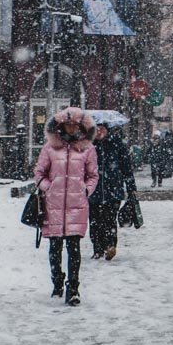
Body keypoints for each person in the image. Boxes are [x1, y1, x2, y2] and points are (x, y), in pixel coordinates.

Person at [33, 107, 98, 306]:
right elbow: (39, 173)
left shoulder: (88, 149)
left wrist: (85, 190)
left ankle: (73, 288)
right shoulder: (50, 148)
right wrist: (49, 187)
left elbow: (93, 175)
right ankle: (57, 281)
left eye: (75, 125)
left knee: (74, 249)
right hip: (53, 206)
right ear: (61, 126)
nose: (71, 128)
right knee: (55, 248)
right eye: (67, 124)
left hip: (76, 206)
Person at [89, 122, 135, 261]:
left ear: (107, 130)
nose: (99, 132)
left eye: (101, 129)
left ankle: (110, 246)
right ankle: (97, 249)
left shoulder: (117, 145)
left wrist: (131, 187)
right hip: (93, 191)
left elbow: (126, 167)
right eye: (96, 129)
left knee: (109, 220)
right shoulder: (88, 146)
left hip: (113, 190)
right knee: (95, 221)